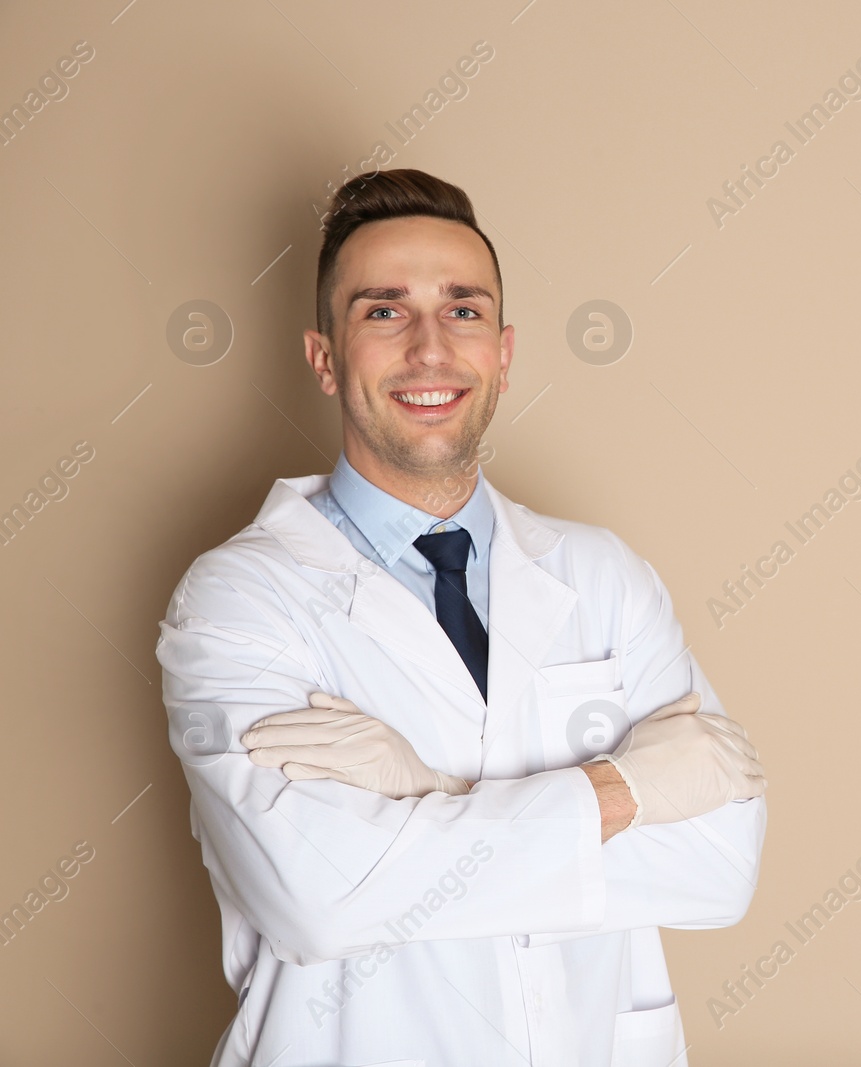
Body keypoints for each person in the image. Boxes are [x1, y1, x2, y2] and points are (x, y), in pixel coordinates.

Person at [156, 168, 767, 1067]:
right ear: (325, 357)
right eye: (384, 311)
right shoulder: (237, 600)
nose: (431, 348)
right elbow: (317, 897)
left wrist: (426, 795)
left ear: (505, 353)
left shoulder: (603, 576)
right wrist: (627, 793)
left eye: (463, 310)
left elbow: (718, 868)